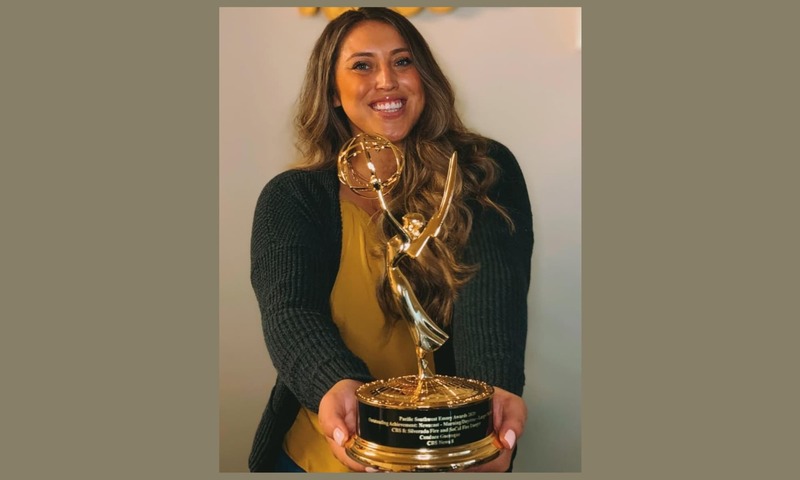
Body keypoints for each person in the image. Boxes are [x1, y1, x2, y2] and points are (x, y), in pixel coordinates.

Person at [248, 7, 534, 472]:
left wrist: (490, 398)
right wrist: (336, 388)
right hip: (321, 452)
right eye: (362, 65)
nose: (387, 81)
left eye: (403, 62)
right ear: (333, 93)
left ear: (425, 77)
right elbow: (290, 312)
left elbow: (494, 294)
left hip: (441, 450)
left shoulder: (482, 170)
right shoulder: (291, 198)